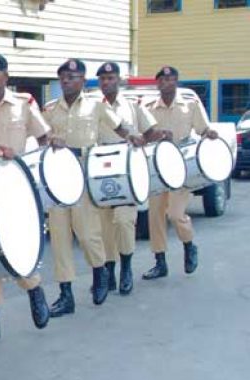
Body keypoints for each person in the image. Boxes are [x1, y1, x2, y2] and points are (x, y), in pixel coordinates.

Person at [42, 58, 139, 317]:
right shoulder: (51, 109)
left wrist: (132, 136)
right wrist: (49, 139)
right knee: (60, 238)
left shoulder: (96, 106)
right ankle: (66, 295)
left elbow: (120, 126)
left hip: (86, 172)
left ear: (83, 81)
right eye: (63, 77)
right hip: (58, 175)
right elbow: (40, 135)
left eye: (72, 77)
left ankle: (100, 272)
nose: (66, 81)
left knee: (87, 233)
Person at [0, 54, 52, 346]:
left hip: (15, 183)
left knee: (15, 245)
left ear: (5, 76)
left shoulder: (24, 103)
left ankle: (35, 290)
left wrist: (33, 164)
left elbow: (45, 137)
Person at [142, 66, 218, 280]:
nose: (167, 83)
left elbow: (203, 129)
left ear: (176, 82)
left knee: (175, 214)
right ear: (157, 83)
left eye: (171, 79)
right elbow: (142, 136)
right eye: (163, 80)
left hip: (180, 167)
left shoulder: (189, 105)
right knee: (155, 215)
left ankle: (189, 245)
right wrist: (156, 135)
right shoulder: (147, 108)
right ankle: (160, 262)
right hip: (156, 168)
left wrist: (210, 133)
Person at [95, 61, 159, 295]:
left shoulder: (133, 106)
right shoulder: (91, 106)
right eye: (102, 79)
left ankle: (127, 269)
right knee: (104, 228)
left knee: (123, 221)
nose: (106, 82)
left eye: (111, 78)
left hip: (126, 171)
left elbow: (151, 130)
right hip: (99, 173)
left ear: (119, 80)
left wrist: (143, 141)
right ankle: (109, 273)